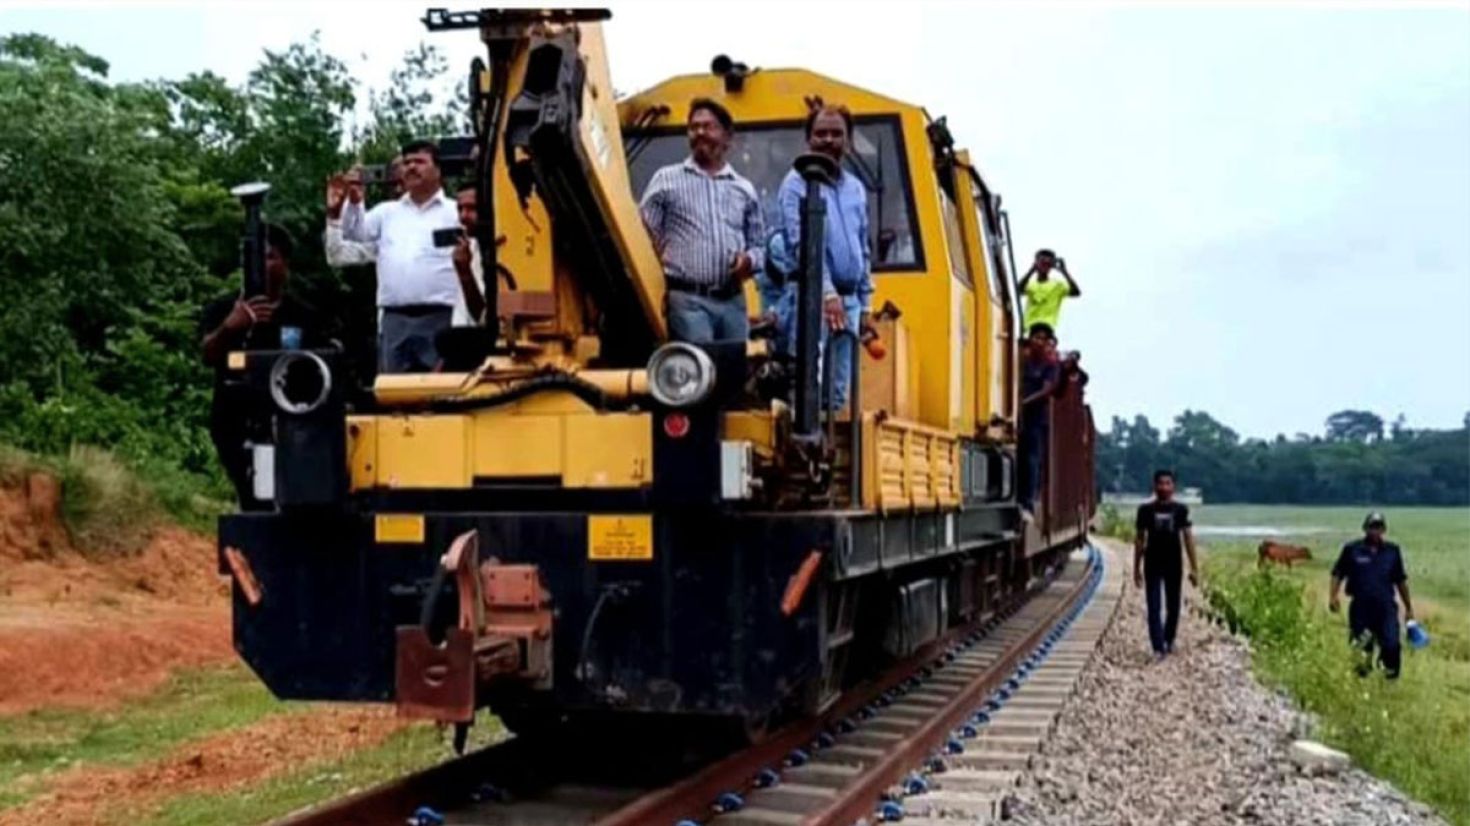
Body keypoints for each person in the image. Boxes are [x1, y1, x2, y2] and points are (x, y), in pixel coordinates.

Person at [199, 225, 328, 509]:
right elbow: (207, 354)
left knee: (288, 501)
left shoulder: (303, 315)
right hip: (234, 424)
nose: (261, 266)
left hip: (290, 426)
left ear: (286, 264)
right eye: (254, 259)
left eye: (269, 257)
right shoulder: (223, 309)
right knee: (253, 498)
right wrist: (231, 327)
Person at [639, 98, 765, 344]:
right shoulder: (666, 180)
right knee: (700, 371)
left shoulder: (744, 189)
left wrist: (748, 260)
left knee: (732, 374)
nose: (700, 133)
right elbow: (643, 232)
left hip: (733, 302)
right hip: (688, 300)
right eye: (694, 127)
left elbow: (759, 245)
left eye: (708, 127)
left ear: (727, 137)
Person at [333, 140, 461, 373]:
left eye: (419, 162)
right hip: (395, 319)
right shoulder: (386, 212)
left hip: (442, 317)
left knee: (441, 392)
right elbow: (353, 233)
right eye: (407, 163)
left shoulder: (455, 212)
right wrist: (354, 202)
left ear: (438, 169)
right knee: (393, 393)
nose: (411, 167)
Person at [776, 104, 873, 408]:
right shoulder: (795, 184)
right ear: (809, 140)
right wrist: (827, 294)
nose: (828, 140)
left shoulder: (856, 188)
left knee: (838, 394)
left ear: (848, 140)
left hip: (851, 302)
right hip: (812, 300)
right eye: (821, 134)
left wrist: (865, 302)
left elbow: (863, 247)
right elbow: (800, 244)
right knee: (808, 391)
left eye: (836, 134)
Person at [1330, 512, 1414, 679]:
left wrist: (1409, 608)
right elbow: (1338, 573)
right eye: (1372, 527)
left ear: (1384, 529)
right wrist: (1333, 596)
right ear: (1365, 528)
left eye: (1378, 527)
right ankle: (1361, 681)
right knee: (1362, 647)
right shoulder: (1352, 550)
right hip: (1361, 608)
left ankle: (1388, 680)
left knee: (1391, 644)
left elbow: (1400, 580)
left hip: (1386, 608)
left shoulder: (1392, 551)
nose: (1375, 531)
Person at [1133, 469, 1200, 659]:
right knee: (1153, 606)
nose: (1164, 487)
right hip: (1152, 563)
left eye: (1167, 483)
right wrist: (1136, 568)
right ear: (1154, 486)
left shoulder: (1180, 510)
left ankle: (1168, 640)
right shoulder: (1145, 510)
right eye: (1160, 483)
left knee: (1173, 606)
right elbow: (1139, 540)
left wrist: (1194, 568)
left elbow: (1187, 538)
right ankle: (1157, 647)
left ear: (1173, 486)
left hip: (1174, 563)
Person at [1018, 322, 1060, 520]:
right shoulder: (1021, 360)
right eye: (1036, 337)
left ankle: (1028, 501)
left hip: (1035, 418)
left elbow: (1047, 390)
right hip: (1016, 415)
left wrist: (1023, 403)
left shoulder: (1050, 366)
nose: (1040, 342)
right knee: (1016, 455)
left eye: (1044, 339)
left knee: (1031, 458)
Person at [1019, 249, 1080, 332]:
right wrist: (1032, 270)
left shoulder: (1058, 285)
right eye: (1042, 263)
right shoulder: (1030, 285)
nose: (1045, 267)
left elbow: (1076, 292)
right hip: (1029, 328)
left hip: (1047, 327)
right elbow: (1018, 290)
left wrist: (1064, 271)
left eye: (1048, 264)